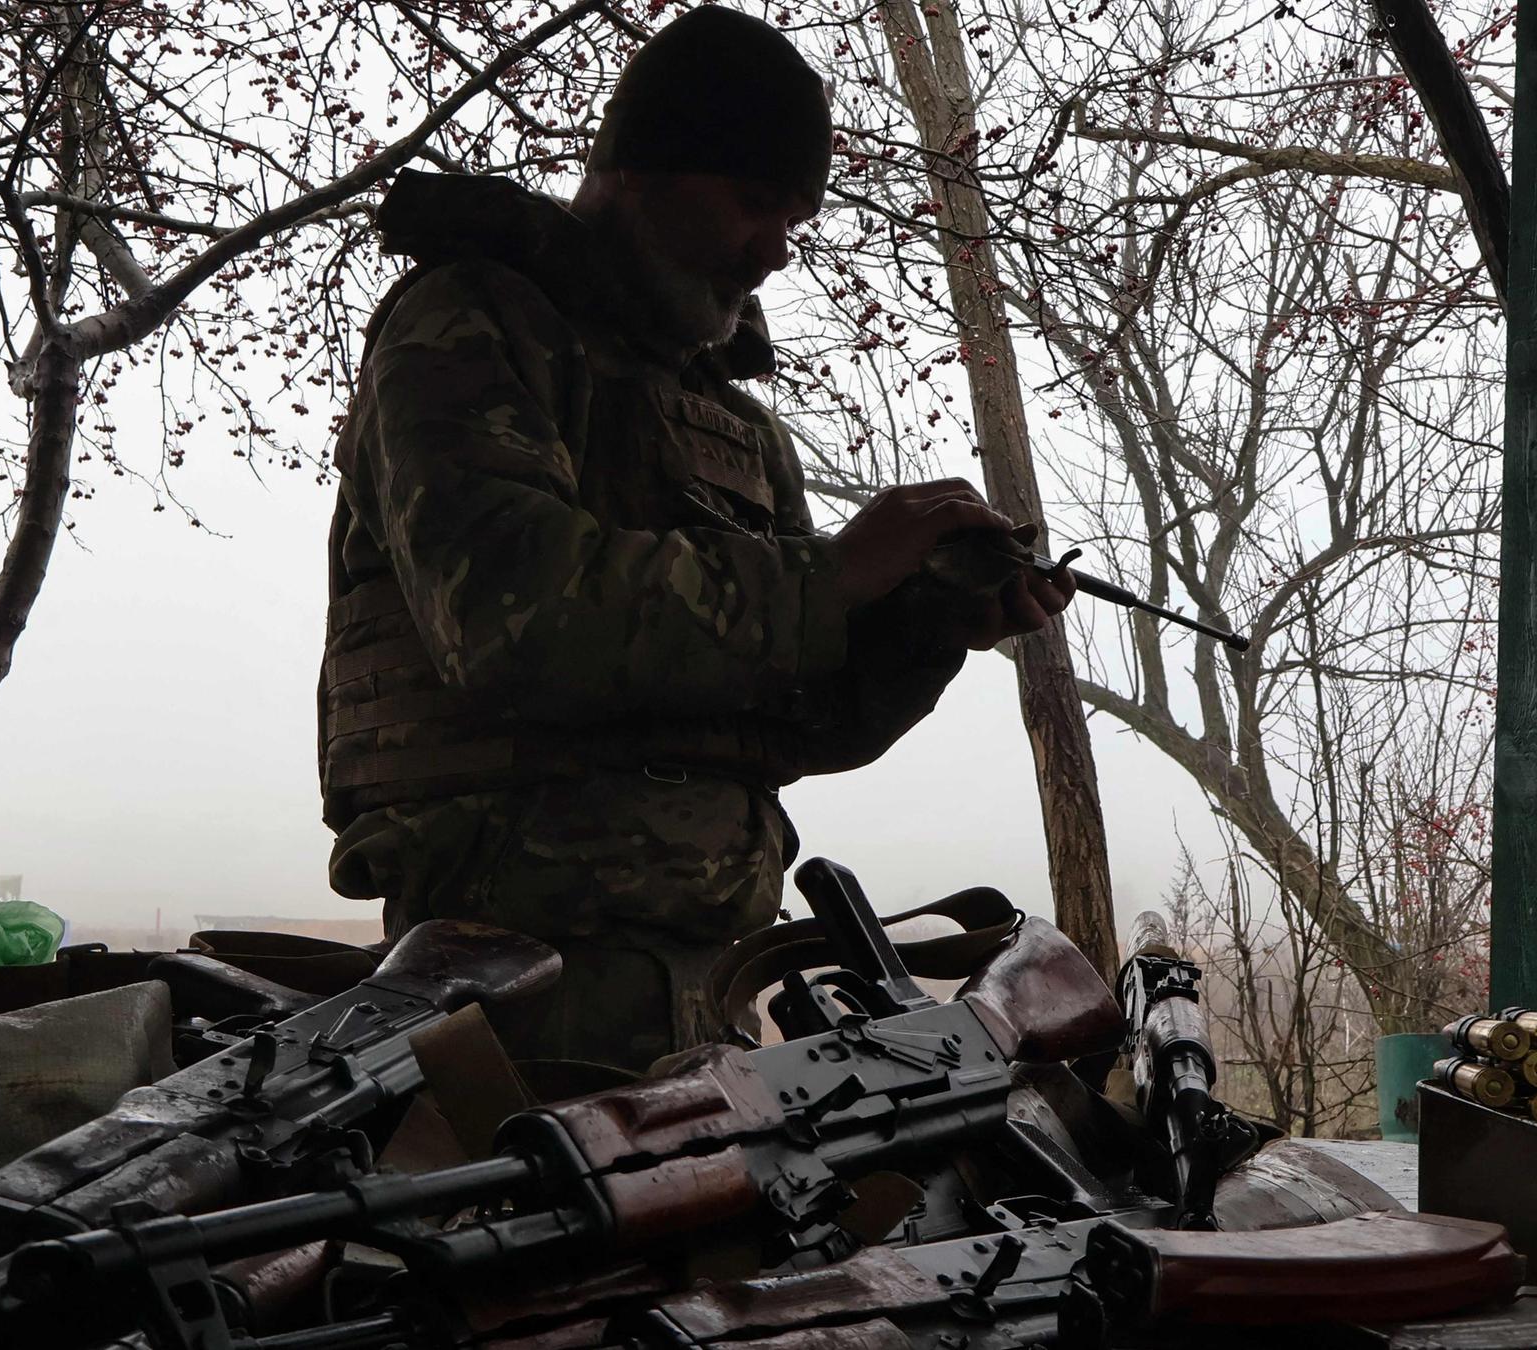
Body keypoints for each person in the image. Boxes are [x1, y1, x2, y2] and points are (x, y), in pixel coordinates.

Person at [318, 7, 1071, 1070]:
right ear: (637, 170)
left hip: (712, 982)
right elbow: (507, 618)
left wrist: (925, 626)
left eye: (794, 219)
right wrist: (834, 575)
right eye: (752, 203)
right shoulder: (471, 322)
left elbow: (798, 721)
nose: (773, 252)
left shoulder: (733, 423)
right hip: (510, 986)